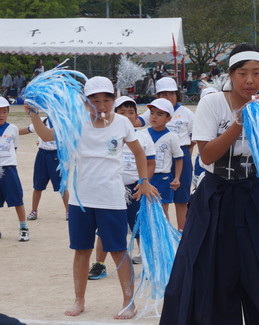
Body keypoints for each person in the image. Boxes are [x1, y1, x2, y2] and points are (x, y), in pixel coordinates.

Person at [160, 43, 259, 324]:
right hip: (216, 198)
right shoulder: (213, 102)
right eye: (242, 73)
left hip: (257, 199)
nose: (250, 80)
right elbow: (207, 154)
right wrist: (239, 123)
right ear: (230, 74)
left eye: (256, 73)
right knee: (209, 275)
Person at [25, 76, 159, 319]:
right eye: (95, 100)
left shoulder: (122, 123)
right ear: (86, 102)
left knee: (119, 250)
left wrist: (144, 180)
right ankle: (79, 300)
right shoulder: (76, 122)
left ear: (113, 99)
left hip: (111, 198)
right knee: (81, 250)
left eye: (106, 99)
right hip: (81, 200)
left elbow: (139, 153)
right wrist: (34, 115)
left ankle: (129, 302)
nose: (101, 104)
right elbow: (47, 136)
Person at [87, 96, 156, 280]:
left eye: (131, 112)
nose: (127, 116)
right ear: (114, 114)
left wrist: (144, 183)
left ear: (136, 116)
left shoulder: (143, 137)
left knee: (139, 227)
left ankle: (148, 264)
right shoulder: (107, 134)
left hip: (136, 189)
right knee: (104, 229)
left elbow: (150, 163)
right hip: (111, 188)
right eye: (122, 112)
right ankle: (99, 264)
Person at [137, 77, 194, 231]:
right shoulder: (152, 112)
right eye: (163, 94)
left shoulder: (186, 112)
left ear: (177, 94)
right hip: (157, 159)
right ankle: (163, 235)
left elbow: (194, 135)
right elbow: (137, 122)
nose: (168, 97)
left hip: (181, 155)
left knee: (182, 198)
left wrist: (187, 152)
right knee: (158, 199)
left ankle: (182, 234)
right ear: (157, 96)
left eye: (171, 94)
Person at [18, 116, 69, 221]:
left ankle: (69, 211)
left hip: (56, 155)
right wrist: (13, 131)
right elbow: (28, 130)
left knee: (62, 186)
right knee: (38, 185)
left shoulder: (63, 121)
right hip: (42, 154)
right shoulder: (42, 120)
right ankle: (34, 211)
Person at [142, 98, 183, 214]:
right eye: (152, 113)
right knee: (146, 210)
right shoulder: (143, 134)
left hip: (163, 179)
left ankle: (164, 232)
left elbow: (179, 158)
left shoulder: (172, 137)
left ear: (168, 118)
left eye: (159, 114)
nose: (154, 117)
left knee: (163, 212)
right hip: (145, 178)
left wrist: (177, 178)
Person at [0, 96, 29, 242]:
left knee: (17, 199)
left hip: (9, 169)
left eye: (4, 112)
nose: (1, 115)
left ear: (8, 112)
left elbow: (15, 147)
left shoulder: (13, 129)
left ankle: (23, 228)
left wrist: (7, 162)